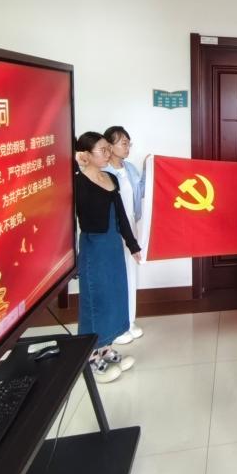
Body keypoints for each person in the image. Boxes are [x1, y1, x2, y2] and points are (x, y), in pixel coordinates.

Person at [74, 132, 141, 384]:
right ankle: (90, 356)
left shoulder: (110, 178)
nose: (107, 154)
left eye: (107, 149)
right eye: (102, 150)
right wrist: (75, 162)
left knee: (115, 295)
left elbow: (121, 214)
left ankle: (106, 348)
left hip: (114, 245)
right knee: (96, 299)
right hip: (94, 247)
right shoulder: (77, 182)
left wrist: (132, 244)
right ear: (85, 155)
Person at [103, 125, 145, 344]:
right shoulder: (102, 172)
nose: (127, 147)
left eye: (129, 143)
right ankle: (116, 325)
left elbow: (142, 190)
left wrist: (149, 169)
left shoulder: (129, 169)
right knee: (116, 275)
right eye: (123, 143)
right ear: (109, 146)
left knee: (131, 274)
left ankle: (129, 321)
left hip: (130, 225)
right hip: (112, 229)